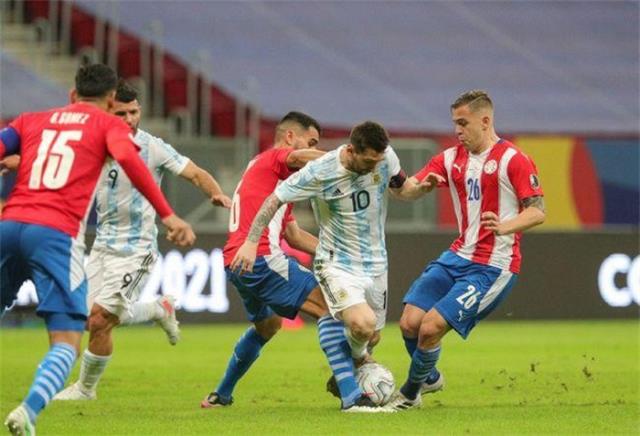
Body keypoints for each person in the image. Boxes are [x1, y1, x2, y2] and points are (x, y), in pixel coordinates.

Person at [0, 64, 194, 435]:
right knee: (68, 338)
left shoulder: (30, 120)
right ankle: (27, 412)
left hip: (8, 226)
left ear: (73, 94)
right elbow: (131, 163)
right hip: (54, 235)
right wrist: (168, 215)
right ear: (110, 101)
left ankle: (154, 312)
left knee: (98, 317)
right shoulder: (107, 126)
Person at [231, 120, 437, 410]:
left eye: (378, 161)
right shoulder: (321, 171)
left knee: (372, 335)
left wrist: (421, 190)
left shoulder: (385, 158)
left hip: (377, 263)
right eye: (368, 161)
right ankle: (353, 384)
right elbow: (273, 200)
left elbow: (402, 190)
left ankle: (349, 370)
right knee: (362, 324)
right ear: (351, 150)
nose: (374, 166)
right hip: (336, 263)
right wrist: (251, 242)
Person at [49, 80, 231, 401]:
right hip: (102, 246)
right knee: (89, 318)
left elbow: (195, 173)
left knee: (101, 318)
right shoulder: (92, 143)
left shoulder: (151, 147)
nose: (130, 119)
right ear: (107, 111)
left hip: (137, 249)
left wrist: (216, 194)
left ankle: (86, 390)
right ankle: (159, 309)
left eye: (134, 112)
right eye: (122, 113)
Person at [203, 112, 388, 413]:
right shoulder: (275, 158)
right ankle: (352, 396)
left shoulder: (272, 181)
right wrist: (345, 159)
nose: (312, 149)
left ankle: (221, 394)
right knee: (332, 307)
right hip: (261, 258)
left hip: (238, 263)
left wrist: (341, 254)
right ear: (290, 137)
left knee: (268, 326)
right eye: (311, 142)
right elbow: (300, 157)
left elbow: (294, 235)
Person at [385, 89, 546, 411]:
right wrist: (407, 183)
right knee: (409, 323)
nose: (457, 130)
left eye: (463, 123)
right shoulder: (450, 158)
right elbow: (406, 192)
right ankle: (430, 378)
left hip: (493, 266)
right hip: (457, 256)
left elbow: (538, 211)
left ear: (485, 121)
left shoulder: (513, 159)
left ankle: (410, 394)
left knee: (430, 328)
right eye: (454, 124)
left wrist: (505, 226)